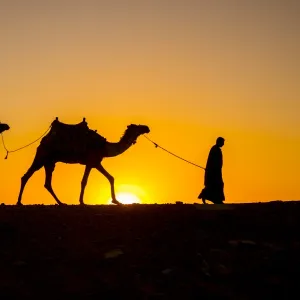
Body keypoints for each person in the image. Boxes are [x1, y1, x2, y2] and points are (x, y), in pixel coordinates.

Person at [198, 137, 225, 204]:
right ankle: (215, 199)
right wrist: (212, 170)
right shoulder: (215, 149)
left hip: (216, 171)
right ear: (219, 142)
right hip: (213, 172)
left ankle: (216, 199)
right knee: (216, 185)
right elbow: (213, 162)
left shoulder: (216, 149)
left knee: (216, 185)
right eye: (222, 142)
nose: (223, 144)